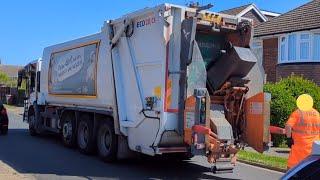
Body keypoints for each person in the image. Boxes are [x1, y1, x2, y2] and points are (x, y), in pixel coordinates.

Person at [285, 94, 320, 169]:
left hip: (299, 147)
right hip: (313, 148)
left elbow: (288, 126)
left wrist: (289, 138)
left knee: (291, 170)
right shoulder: (317, 114)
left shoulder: (297, 113)